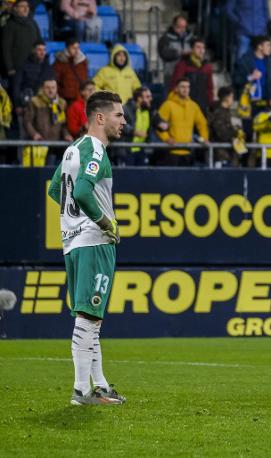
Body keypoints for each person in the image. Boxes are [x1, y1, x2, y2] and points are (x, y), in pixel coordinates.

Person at [47, 91, 128, 405]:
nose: (123, 121)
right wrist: (103, 221)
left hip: (72, 242)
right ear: (100, 117)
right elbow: (81, 191)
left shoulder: (73, 149)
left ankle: (100, 385)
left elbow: (57, 189)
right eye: (118, 115)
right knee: (88, 318)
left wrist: (74, 221)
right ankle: (82, 391)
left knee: (90, 318)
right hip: (95, 242)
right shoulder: (95, 149)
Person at [156, 78, 209, 166]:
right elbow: (158, 124)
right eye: (182, 87)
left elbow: (202, 124)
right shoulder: (168, 105)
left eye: (188, 87)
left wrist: (204, 138)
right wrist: (166, 138)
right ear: (176, 89)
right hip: (172, 151)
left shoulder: (193, 106)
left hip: (188, 151)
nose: (185, 90)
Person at [23, 78, 73, 166]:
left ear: (56, 88)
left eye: (53, 87)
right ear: (42, 88)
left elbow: (63, 125)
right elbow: (27, 122)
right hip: (39, 144)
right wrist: (34, 134)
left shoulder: (61, 103)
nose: (50, 90)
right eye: (48, 87)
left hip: (57, 145)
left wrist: (66, 135)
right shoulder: (34, 102)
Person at [1, 0, 41, 85]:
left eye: (27, 6)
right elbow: (6, 48)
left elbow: (39, 43)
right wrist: (9, 68)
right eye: (22, 6)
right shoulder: (10, 25)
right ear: (15, 8)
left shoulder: (33, 23)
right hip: (16, 69)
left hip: (32, 67)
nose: (26, 8)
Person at [169, 38, 214, 113]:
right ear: (192, 49)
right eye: (198, 47)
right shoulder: (183, 65)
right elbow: (175, 85)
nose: (201, 50)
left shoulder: (207, 66)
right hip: (186, 105)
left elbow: (210, 87)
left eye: (203, 48)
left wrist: (210, 103)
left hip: (202, 106)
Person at [12, 41, 54, 111]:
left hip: (45, 105)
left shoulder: (48, 67)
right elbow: (16, 86)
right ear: (33, 50)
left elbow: (54, 86)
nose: (42, 52)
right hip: (27, 104)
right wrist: (17, 105)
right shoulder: (23, 66)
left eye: (44, 50)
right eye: (39, 50)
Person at [232, 36, 271, 103]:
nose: (270, 48)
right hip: (249, 101)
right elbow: (236, 80)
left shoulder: (270, 62)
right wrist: (250, 77)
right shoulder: (244, 61)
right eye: (267, 45)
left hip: (266, 100)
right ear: (260, 46)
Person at [210, 86, 245, 167]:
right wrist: (235, 132)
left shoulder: (226, 112)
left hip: (227, 154)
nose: (232, 100)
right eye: (232, 97)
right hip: (221, 155)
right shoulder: (219, 113)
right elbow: (221, 133)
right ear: (227, 97)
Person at [120, 86, 154, 166]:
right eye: (148, 97)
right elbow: (120, 123)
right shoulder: (126, 108)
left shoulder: (148, 110)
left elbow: (156, 123)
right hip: (127, 150)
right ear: (139, 98)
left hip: (141, 149)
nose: (151, 99)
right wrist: (133, 132)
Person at [158, 14, 193, 86]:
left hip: (187, 74)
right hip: (171, 74)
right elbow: (164, 53)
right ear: (174, 26)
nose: (182, 30)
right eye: (179, 27)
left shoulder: (190, 39)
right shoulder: (165, 39)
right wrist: (180, 53)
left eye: (184, 27)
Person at [53, 38, 89, 106]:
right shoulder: (59, 63)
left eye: (78, 47)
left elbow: (85, 80)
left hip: (80, 98)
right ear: (67, 48)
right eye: (73, 48)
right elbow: (56, 82)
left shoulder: (83, 62)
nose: (76, 50)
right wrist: (60, 97)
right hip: (66, 100)